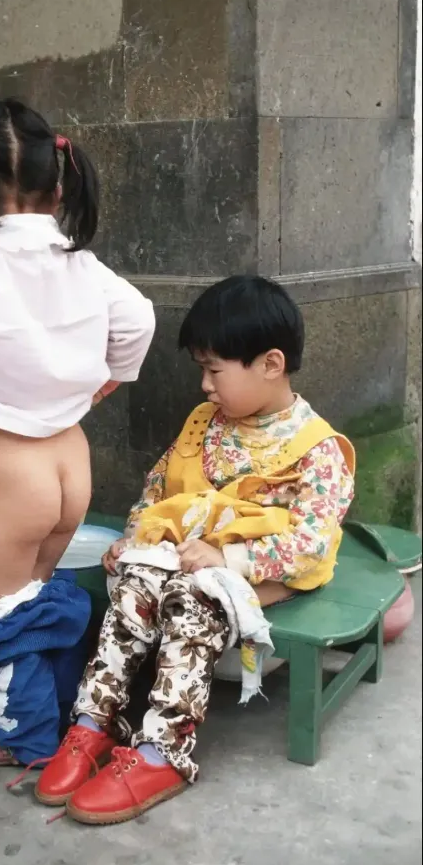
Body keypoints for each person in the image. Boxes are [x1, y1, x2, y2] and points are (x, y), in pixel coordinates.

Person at [33, 275, 355, 824]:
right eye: (201, 370)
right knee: (135, 586)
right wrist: (136, 537)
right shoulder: (204, 424)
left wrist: (228, 559)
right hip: (184, 558)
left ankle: (165, 752)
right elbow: (159, 488)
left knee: (191, 596)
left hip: (263, 578)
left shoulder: (317, 450)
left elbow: (311, 543)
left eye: (214, 370)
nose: (204, 385)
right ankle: (94, 721)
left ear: (271, 364)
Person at [0, 98, 155, 767]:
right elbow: (138, 317)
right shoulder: (81, 263)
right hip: (70, 465)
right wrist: (111, 378)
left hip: (11, 480)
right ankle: (60, 706)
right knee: (34, 597)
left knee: (1, 612)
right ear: (58, 189)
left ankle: (20, 737)